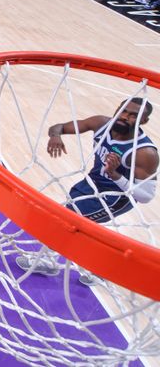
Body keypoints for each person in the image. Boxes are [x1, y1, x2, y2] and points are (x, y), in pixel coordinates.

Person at [16, 98, 157, 285]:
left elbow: (146, 196)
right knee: (82, 226)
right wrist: (55, 136)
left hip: (115, 197)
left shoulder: (144, 153)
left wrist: (115, 175)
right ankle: (104, 268)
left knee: (67, 220)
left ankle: (48, 261)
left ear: (143, 122)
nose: (125, 117)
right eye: (124, 111)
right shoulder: (101, 123)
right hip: (91, 183)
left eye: (133, 116)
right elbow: (58, 127)